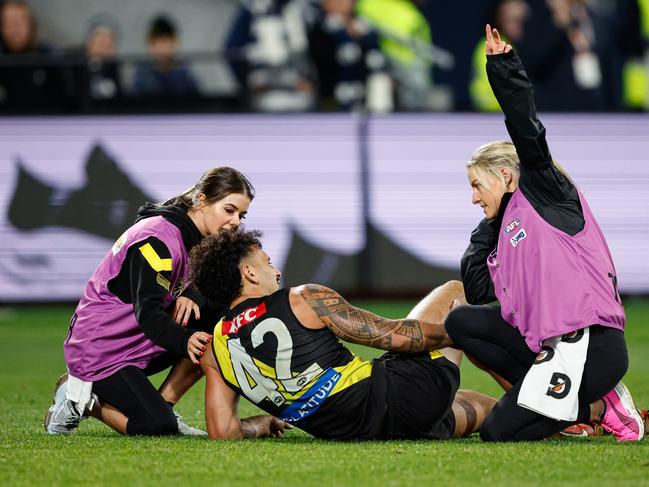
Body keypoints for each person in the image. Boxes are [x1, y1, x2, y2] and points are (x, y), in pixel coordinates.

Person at [445, 25, 644, 442]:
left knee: (498, 433)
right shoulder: (503, 229)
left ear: (505, 174)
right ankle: (585, 406)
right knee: (462, 320)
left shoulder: (546, 192)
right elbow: (480, 292)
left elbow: (526, 127)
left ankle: (598, 398)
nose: (473, 198)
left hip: (592, 347)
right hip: (549, 349)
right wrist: (488, 226)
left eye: (477, 186)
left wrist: (503, 67)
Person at [190, 229, 496, 441]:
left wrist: (258, 425)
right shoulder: (303, 299)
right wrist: (459, 332)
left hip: (360, 430)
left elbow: (222, 432)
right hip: (408, 395)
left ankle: (526, 411)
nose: (277, 271)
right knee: (455, 292)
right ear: (250, 273)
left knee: (481, 408)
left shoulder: (213, 351)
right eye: (268, 263)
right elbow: (398, 336)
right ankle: (532, 387)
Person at [44, 167, 255, 437]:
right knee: (157, 426)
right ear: (202, 200)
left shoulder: (196, 235)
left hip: (136, 341)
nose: (236, 221)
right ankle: (80, 397)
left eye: (242, 214)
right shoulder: (157, 240)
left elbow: (217, 287)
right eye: (229, 210)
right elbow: (150, 316)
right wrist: (185, 339)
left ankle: (165, 404)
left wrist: (194, 294)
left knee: (221, 317)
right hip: (101, 351)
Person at [131, 14, 200, 98]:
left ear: (174, 43)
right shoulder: (142, 73)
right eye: (154, 43)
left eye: (163, 42)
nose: (159, 48)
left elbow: (198, 104)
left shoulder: (183, 73)